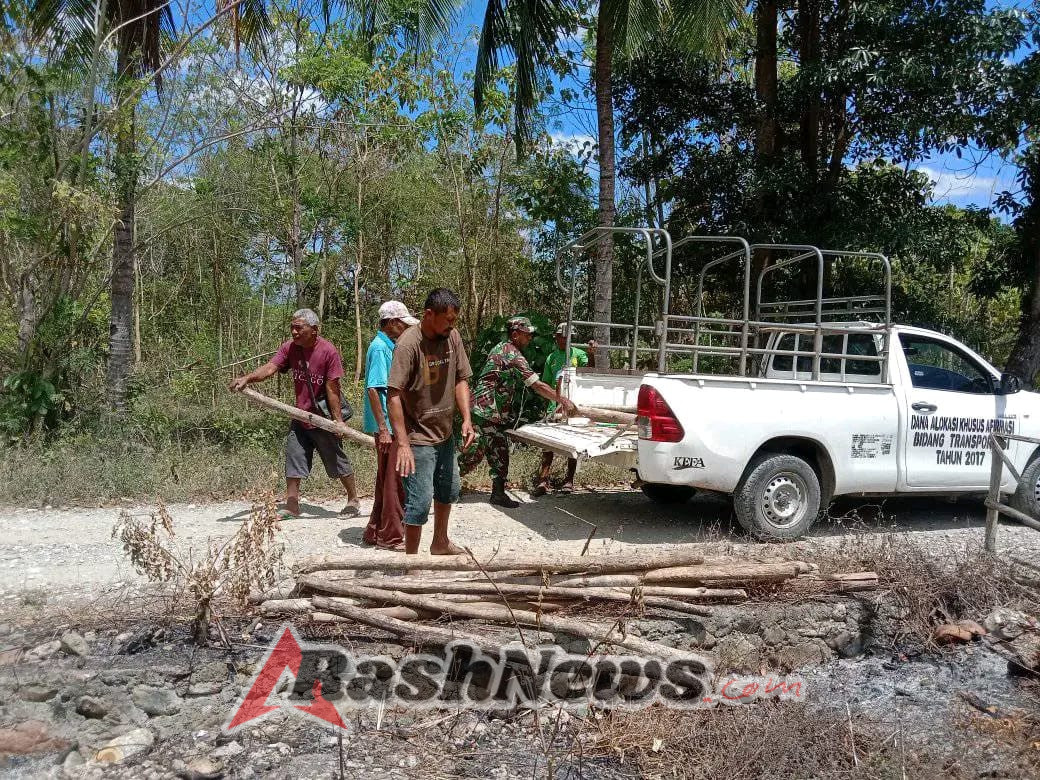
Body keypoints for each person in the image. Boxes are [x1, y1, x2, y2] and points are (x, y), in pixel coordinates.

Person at [229, 309, 360, 517]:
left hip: (323, 418)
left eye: (299, 328)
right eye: (292, 327)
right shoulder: (290, 348)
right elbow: (271, 367)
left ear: (314, 330)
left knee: (336, 459)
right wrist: (247, 378)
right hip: (300, 416)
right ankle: (292, 505)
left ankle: (353, 500)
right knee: (294, 457)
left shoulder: (328, 352)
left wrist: (338, 422)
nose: (294, 332)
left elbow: (333, 388)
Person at [387, 288, 476, 555]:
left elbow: (461, 379)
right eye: (448, 320)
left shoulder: (453, 337)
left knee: (449, 490)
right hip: (418, 439)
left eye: (455, 320)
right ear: (429, 314)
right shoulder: (408, 345)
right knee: (419, 502)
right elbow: (393, 395)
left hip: (445, 434)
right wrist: (403, 444)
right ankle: (412, 562)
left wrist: (467, 419)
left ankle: (440, 542)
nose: (452, 325)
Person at [458, 316, 578, 508]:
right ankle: (446, 487)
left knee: (495, 452)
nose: (530, 338)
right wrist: (562, 400)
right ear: (515, 335)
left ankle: (495, 493)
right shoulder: (511, 353)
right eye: (526, 334)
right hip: (485, 410)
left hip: (488, 411)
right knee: (475, 453)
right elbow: (536, 385)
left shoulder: (501, 348)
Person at [361, 301, 419, 551]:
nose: (405, 329)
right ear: (392, 322)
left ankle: (375, 530)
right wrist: (384, 429)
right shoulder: (379, 348)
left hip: (391, 424)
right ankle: (392, 536)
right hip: (389, 425)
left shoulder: (388, 346)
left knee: (387, 478)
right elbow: (374, 389)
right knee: (395, 480)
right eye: (403, 324)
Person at [532, 323, 596, 497]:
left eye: (567, 337)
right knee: (547, 444)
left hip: (573, 406)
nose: (564, 340)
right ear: (556, 337)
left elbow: (589, 373)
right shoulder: (551, 358)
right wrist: (549, 404)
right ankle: (543, 480)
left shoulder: (579, 355)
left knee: (571, 444)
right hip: (554, 405)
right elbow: (546, 382)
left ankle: (569, 480)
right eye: (561, 337)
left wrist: (591, 355)